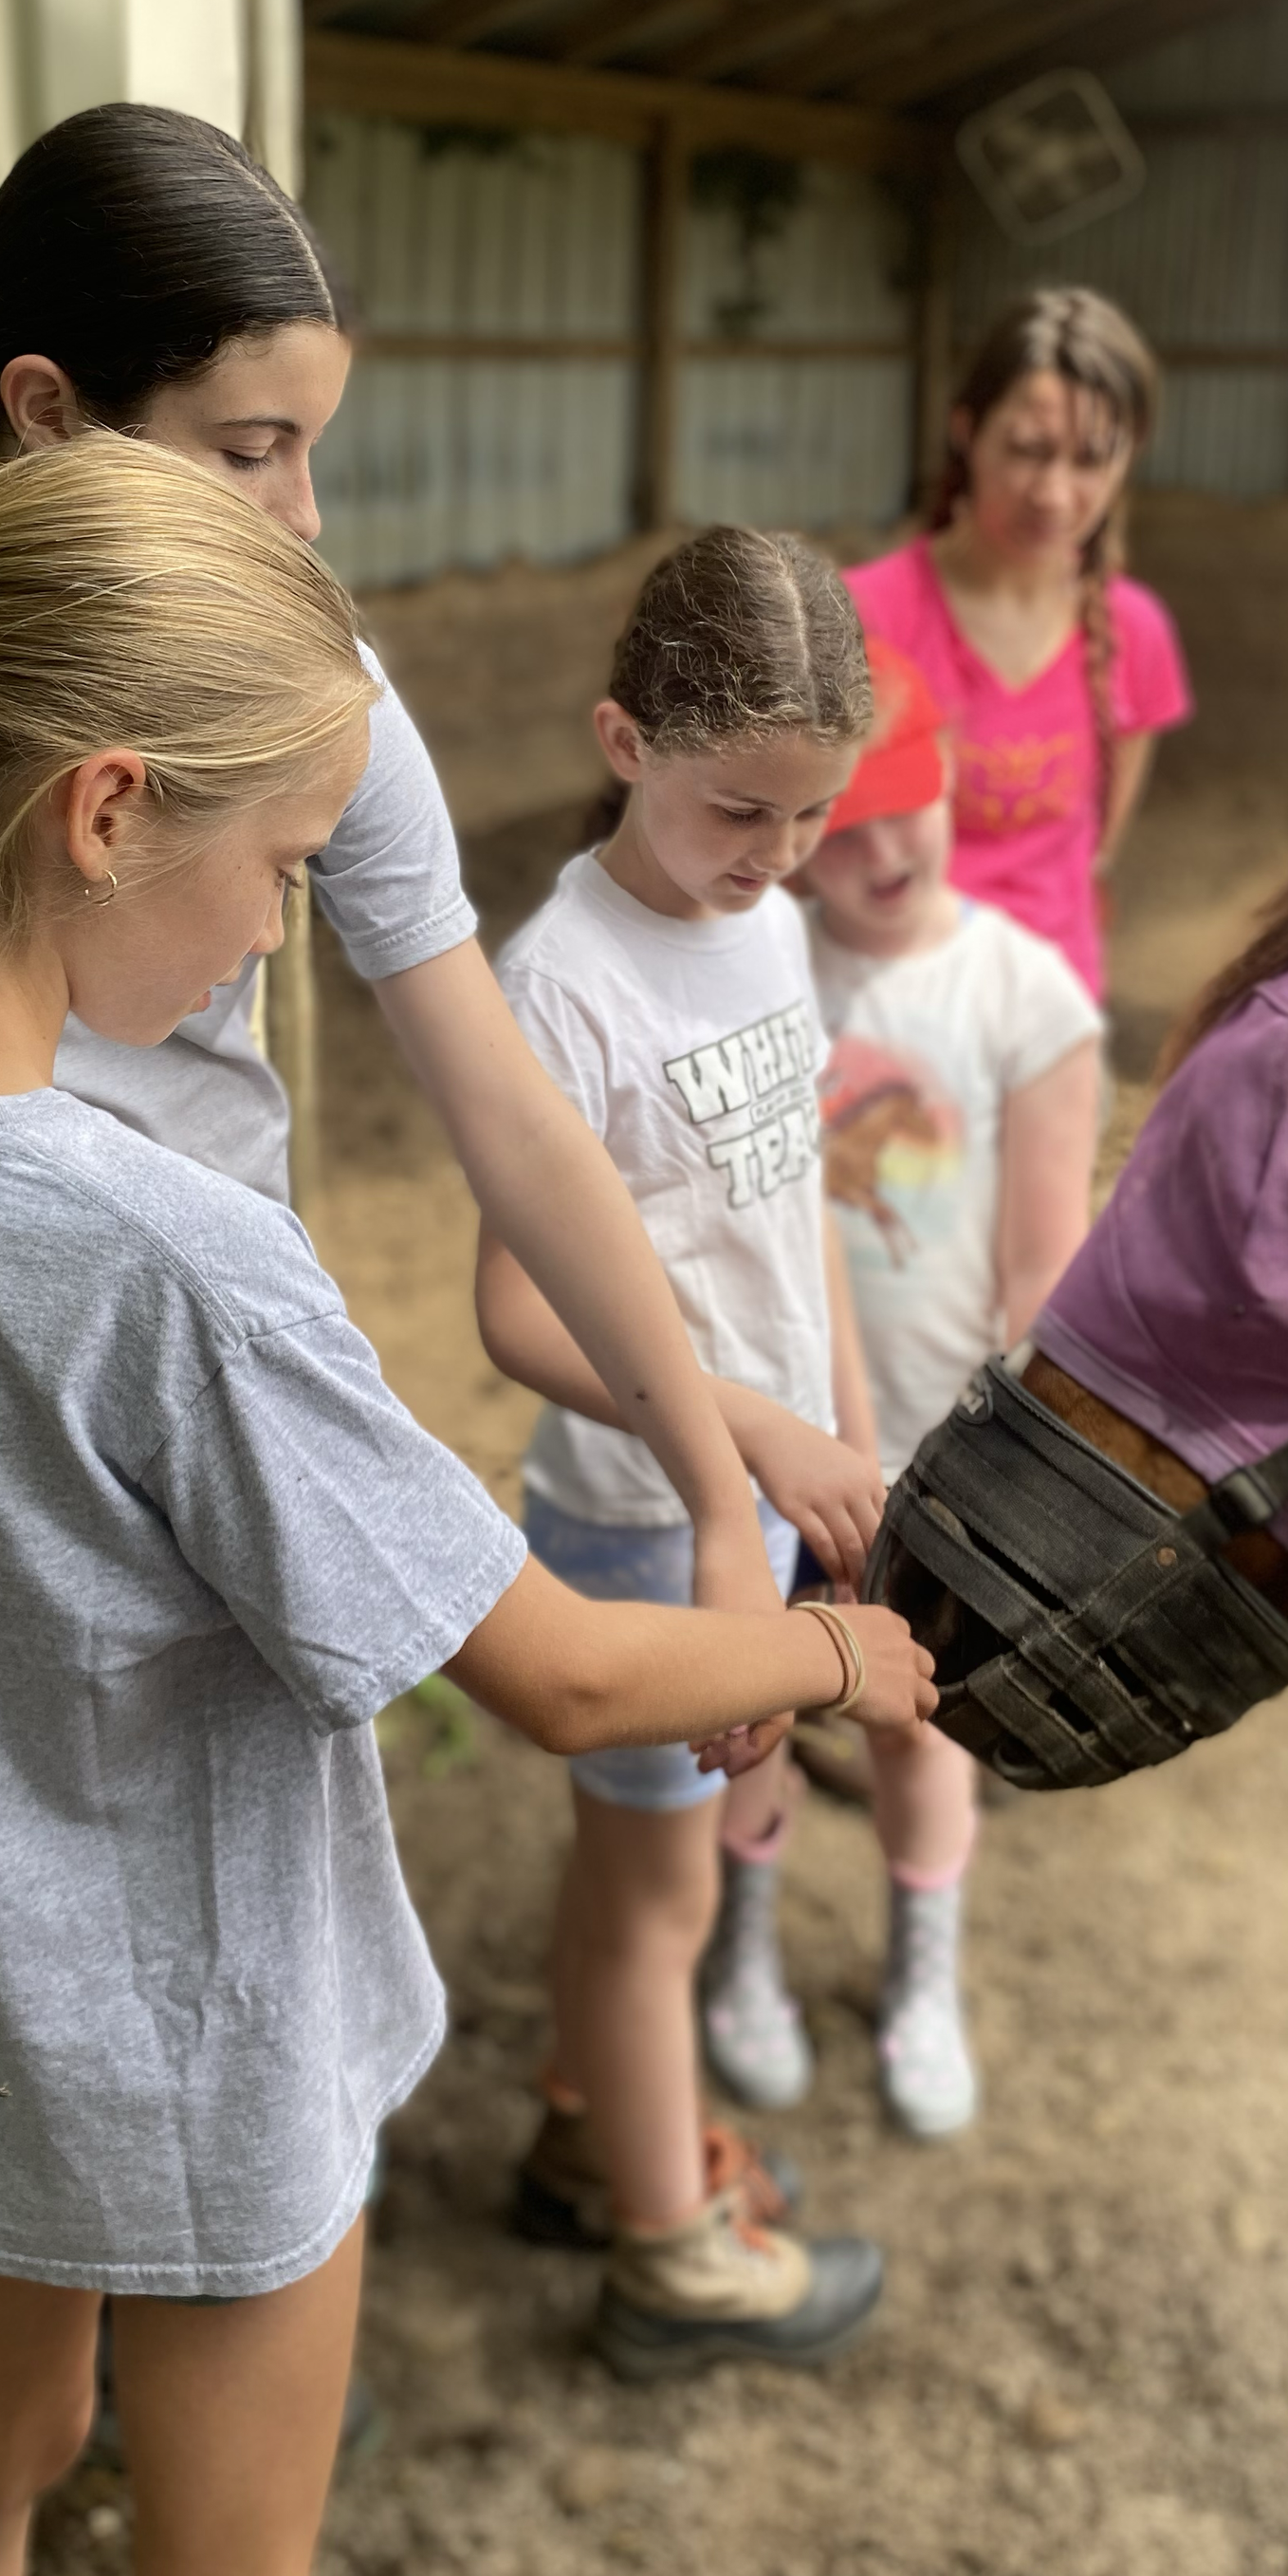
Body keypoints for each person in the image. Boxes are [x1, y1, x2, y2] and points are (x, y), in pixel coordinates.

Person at [0, 436, 935, 2576]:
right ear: (108, 809)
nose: (274, 935)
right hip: (188, 2041)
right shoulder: (156, 1253)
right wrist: (841, 1653)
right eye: (272, 867)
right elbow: (554, 1667)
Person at [0, 102, 783, 1643]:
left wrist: (715, 1492)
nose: (305, 516)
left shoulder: (308, 691)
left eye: (313, 447)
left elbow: (508, 1109)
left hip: (201, 1357)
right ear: (45, 407)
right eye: (252, 450)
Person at [471, 528, 902, 2382]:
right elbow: (515, 1309)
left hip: (775, 1488)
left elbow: (791, 1187)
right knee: (654, 1895)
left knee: (683, 1863)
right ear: (621, 739)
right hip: (644, 1522)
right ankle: (669, 2254)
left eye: (809, 816)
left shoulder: (770, 919)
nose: (775, 855)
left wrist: (853, 1412)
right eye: (740, 808)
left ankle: (597, 2132)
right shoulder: (559, 976)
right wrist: (750, 1428)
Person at [758, 639, 1102, 2138]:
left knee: (918, 1720)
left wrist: (1020, 1478)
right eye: (848, 813)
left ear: (957, 784)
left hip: (934, 1451)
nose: (885, 846)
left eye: (912, 801)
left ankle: (922, 1975)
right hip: (768, 1433)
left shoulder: (1027, 995)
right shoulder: (763, 960)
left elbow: (1043, 1266)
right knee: (748, 1705)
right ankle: (736, 1957)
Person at [845, 286, 1190, 1006]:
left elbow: (1094, 847)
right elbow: (821, 851)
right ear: (966, 431)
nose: (1055, 493)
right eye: (1029, 451)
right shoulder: (866, 614)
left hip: (1053, 1015)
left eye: (1092, 458)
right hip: (891, 1015)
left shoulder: (1136, 633)